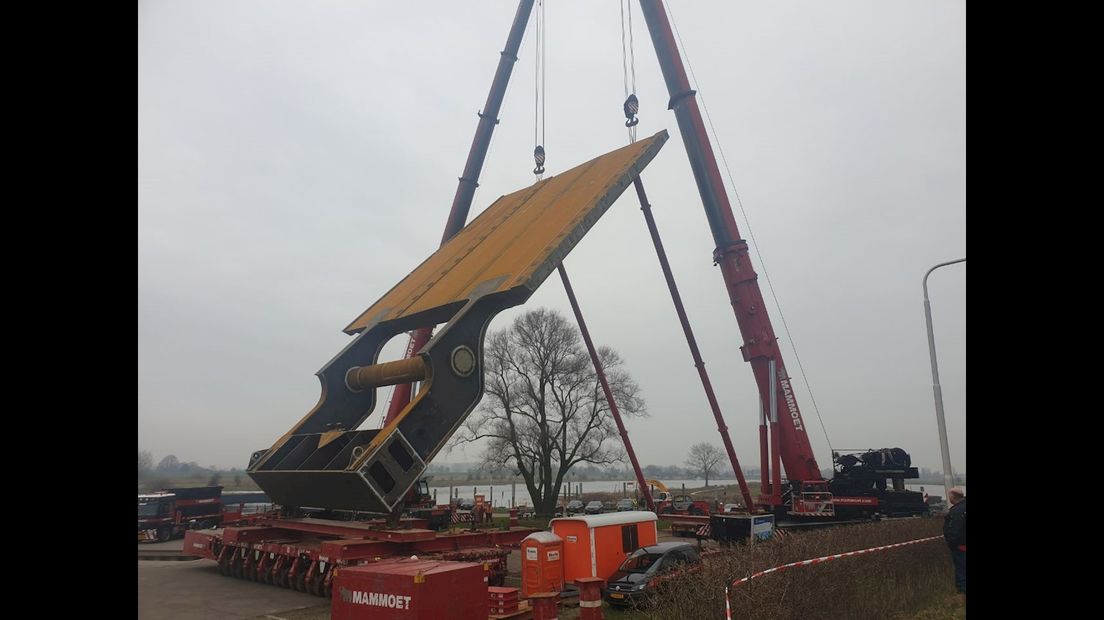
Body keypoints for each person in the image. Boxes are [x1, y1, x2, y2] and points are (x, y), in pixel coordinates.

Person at [943, 487, 967, 602]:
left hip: (960, 547)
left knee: (962, 571)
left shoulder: (957, 511)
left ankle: (962, 594)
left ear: (953, 497)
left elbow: (954, 530)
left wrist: (951, 543)